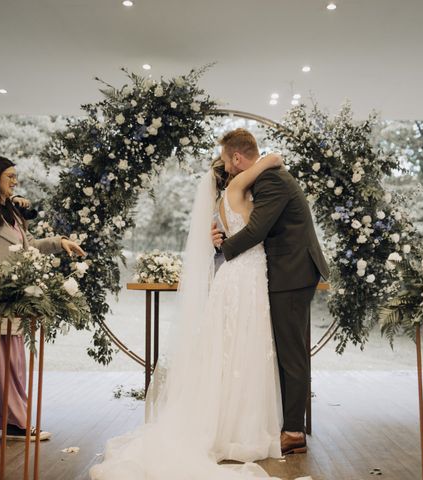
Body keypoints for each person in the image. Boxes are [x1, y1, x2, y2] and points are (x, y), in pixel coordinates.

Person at [91, 152, 290, 480]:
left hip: (238, 277)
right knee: (237, 349)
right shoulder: (235, 190)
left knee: (233, 351)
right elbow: (271, 159)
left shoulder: (228, 199)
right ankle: (235, 426)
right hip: (241, 276)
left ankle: (233, 422)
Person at [214, 129, 330, 454]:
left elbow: (257, 229)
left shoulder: (271, 180)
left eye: (227, 161)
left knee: (292, 352)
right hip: (285, 272)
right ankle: (286, 422)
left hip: (292, 272)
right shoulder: (265, 175)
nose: (227, 168)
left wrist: (224, 248)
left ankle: (293, 432)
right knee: (282, 350)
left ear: (237, 158)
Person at [0, 155, 85, 441]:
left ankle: (15, 421)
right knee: (3, 368)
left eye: (15, 176)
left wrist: (59, 243)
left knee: (11, 366)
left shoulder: (10, 213)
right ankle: (18, 422)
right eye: (9, 176)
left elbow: (26, 250)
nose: (15, 181)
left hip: (10, 303)